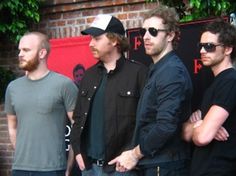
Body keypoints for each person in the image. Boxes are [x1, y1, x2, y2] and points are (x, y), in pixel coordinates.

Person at [109, 4, 193, 176]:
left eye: (153, 31)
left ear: (170, 35)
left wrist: (134, 154)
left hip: (165, 165)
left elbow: (165, 126)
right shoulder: (158, 69)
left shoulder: (171, 71)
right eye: (143, 31)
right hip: (154, 162)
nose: (146, 37)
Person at [70, 14, 148, 176]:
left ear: (114, 41)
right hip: (89, 167)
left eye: (97, 38)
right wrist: (77, 151)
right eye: (91, 39)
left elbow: (147, 121)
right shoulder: (89, 75)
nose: (91, 44)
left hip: (122, 168)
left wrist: (132, 156)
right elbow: (78, 118)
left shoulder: (139, 73)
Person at [4, 32, 78, 176]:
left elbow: (78, 127)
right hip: (20, 169)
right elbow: (12, 127)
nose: (20, 54)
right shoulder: (13, 88)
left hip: (53, 168)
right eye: (19, 50)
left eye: (26, 50)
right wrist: (23, 155)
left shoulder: (64, 84)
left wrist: (69, 166)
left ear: (42, 53)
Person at [182, 18, 236, 175]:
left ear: (228, 49)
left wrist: (202, 127)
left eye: (209, 46)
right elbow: (183, 131)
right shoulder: (215, 83)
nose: (202, 51)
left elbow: (203, 137)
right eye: (201, 46)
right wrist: (201, 125)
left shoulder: (230, 82)